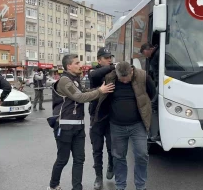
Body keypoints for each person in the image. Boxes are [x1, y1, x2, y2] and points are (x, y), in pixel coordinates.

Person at [47, 54, 115, 190]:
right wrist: (100, 91)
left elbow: (85, 92)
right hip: (64, 126)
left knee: (79, 159)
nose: (80, 65)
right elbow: (80, 97)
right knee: (63, 159)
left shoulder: (76, 80)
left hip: (78, 127)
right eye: (77, 63)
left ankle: (77, 187)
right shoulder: (65, 81)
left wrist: (100, 90)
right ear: (68, 66)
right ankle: (53, 185)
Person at [93, 61, 156, 190]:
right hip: (116, 126)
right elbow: (93, 77)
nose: (125, 82)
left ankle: (141, 186)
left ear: (132, 71)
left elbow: (152, 93)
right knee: (118, 157)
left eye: (127, 79)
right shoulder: (110, 78)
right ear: (116, 74)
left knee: (142, 155)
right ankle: (120, 186)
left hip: (138, 125)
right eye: (122, 79)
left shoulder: (143, 76)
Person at [88, 47, 116, 189]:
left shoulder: (113, 71)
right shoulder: (93, 72)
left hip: (111, 115)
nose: (109, 60)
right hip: (96, 116)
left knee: (112, 147)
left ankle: (111, 165)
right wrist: (112, 67)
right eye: (106, 58)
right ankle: (98, 177)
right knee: (97, 149)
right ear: (99, 60)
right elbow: (94, 76)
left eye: (110, 57)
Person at [140, 42, 160, 141]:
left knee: (153, 105)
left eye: (144, 53)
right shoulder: (155, 54)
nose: (145, 56)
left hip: (162, 83)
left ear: (149, 50)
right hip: (159, 83)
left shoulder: (158, 54)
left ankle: (154, 133)